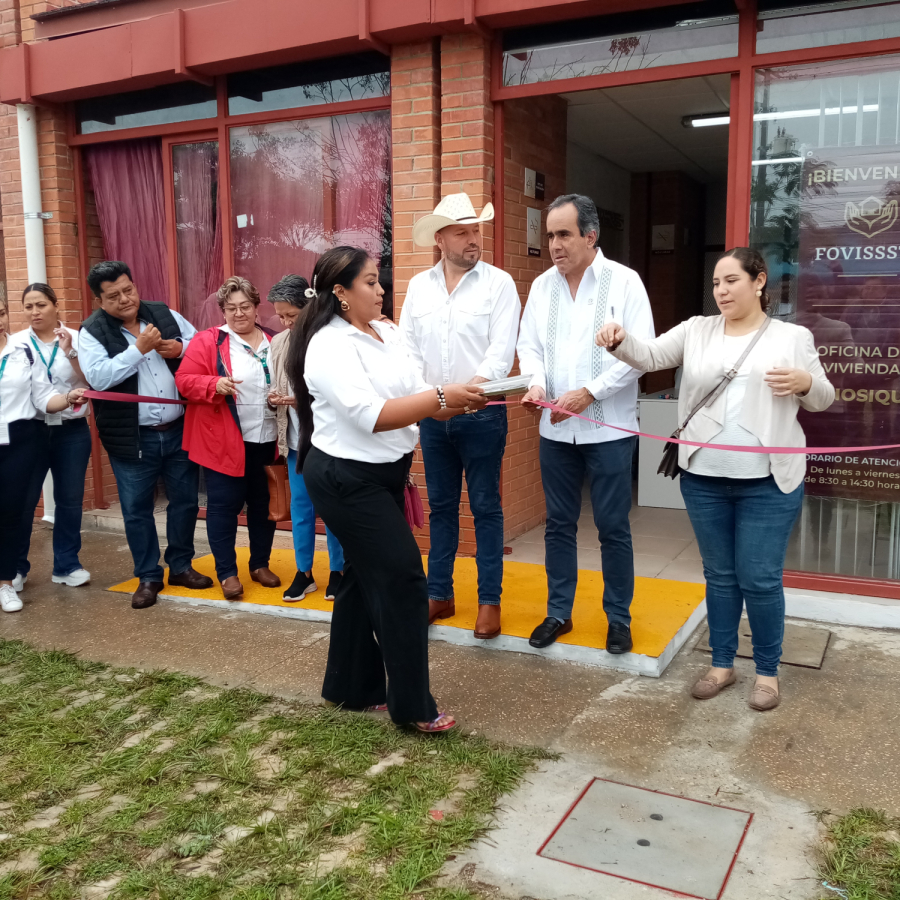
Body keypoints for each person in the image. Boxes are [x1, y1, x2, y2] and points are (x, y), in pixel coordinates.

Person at [596, 248, 834, 711]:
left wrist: (805, 381)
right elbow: (647, 356)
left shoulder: (792, 336)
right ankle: (722, 664)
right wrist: (618, 340)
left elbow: (822, 398)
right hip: (704, 478)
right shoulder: (697, 330)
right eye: (716, 284)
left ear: (759, 281)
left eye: (731, 281)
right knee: (720, 576)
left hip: (769, 481)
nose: (721, 291)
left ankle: (768, 672)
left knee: (760, 579)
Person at [288, 246, 486, 732]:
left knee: (360, 578)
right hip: (344, 478)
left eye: (380, 281)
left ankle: (350, 686)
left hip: (384, 474)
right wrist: (440, 397)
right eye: (371, 282)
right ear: (340, 292)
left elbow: (421, 398)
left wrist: (468, 400)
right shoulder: (328, 346)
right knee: (402, 581)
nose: (381, 291)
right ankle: (413, 706)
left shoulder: (387, 333)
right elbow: (372, 416)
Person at [517, 193, 655, 653]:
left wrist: (589, 392)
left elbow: (642, 354)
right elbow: (530, 347)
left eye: (563, 234)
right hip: (555, 430)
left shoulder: (625, 283)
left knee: (613, 526)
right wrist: (536, 385)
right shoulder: (542, 287)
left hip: (609, 430)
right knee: (559, 524)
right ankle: (559, 613)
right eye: (550, 234)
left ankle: (618, 618)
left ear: (590, 236)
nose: (554, 244)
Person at [401, 193, 520, 640]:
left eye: (476, 231)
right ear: (440, 239)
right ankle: (440, 593)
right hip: (432, 414)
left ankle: (489, 601)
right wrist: (433, 397)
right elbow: (408, 348)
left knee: (487, 508)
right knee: (442, 508)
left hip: (482, 413)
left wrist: (466, 393)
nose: (474, 240)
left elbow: (500, 351)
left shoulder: (499, 284)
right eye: (463, 232)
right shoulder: (418, 287)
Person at [79, 260, 213, 609]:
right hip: (132, 436)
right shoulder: (91, 331)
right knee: (138, 509)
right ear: (99, 301)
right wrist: (137, 349)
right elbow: (98, 378)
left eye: (129, 290)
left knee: (184, 502)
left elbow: (201, 344)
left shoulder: (162, 313)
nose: (125, 299)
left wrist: (180, 349)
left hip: (179, 427)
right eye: (114, 296)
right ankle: (148, 575)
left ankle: (181, 566)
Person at [176, 276, 281, 600]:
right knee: (223, 508)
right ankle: (228, 573)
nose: (239, 314)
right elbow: (184, 380)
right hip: (223, 441)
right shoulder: (208, 341)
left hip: (269, 439)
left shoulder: (275, 340)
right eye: (231, 308)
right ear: (222, 310)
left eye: (245, 306)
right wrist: (213, 385)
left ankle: (259, 564)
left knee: (265, 506)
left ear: (256, 307)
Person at [0, 295, 87, 613]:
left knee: (57, 502)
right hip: (28, 433)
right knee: (17, 507)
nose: (35, 311)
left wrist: (69, 387)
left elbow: (58, 390)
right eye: (29, 306)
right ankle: (13, 570)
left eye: (41, 305)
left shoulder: (65, 340)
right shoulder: (21, 342)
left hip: (49, 433)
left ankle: (55, 568)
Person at [267, 274, 345, 602]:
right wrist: (274, 399)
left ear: (310, 307)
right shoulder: (278, 343)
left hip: (330, 442)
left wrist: (302, 399)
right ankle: (304, 571)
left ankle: (339, 570)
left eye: (291, 316)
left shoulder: (330, 338)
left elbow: (341, 393)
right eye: (280, 316)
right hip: (297, 441)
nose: (285, 323)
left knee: (334, 510)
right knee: (300, 507)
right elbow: (276, 384)